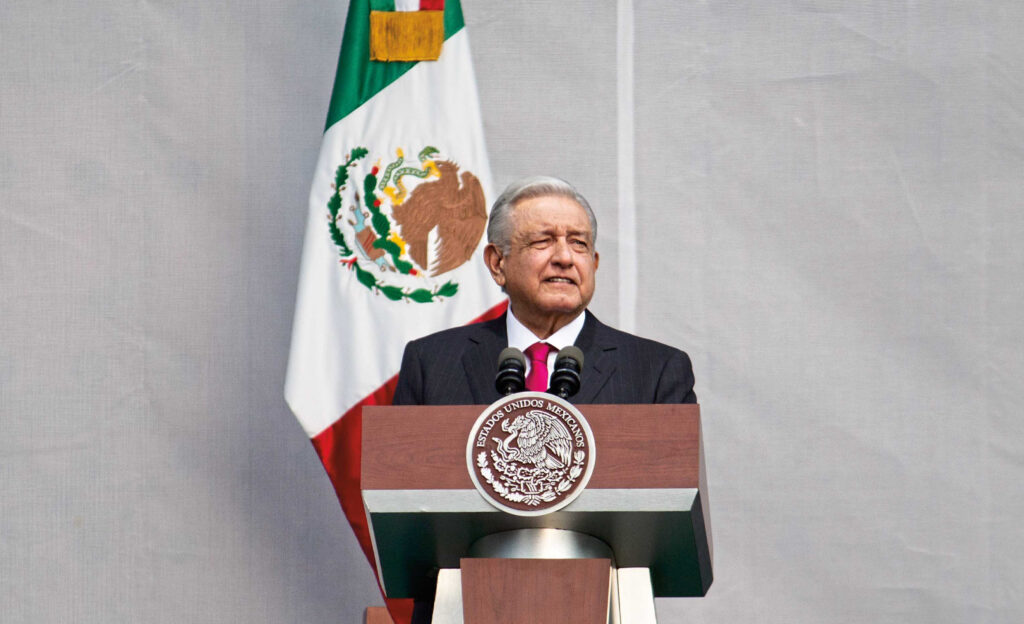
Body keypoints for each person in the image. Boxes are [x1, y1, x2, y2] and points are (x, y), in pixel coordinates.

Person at [393, 175, 696, 407]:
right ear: (498, 263)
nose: (565, 258)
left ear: (594, 262)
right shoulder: (431, 364)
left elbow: (676, 487)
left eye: (579, 243)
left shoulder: (656, 372)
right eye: (543, 241)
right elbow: (403, 484)